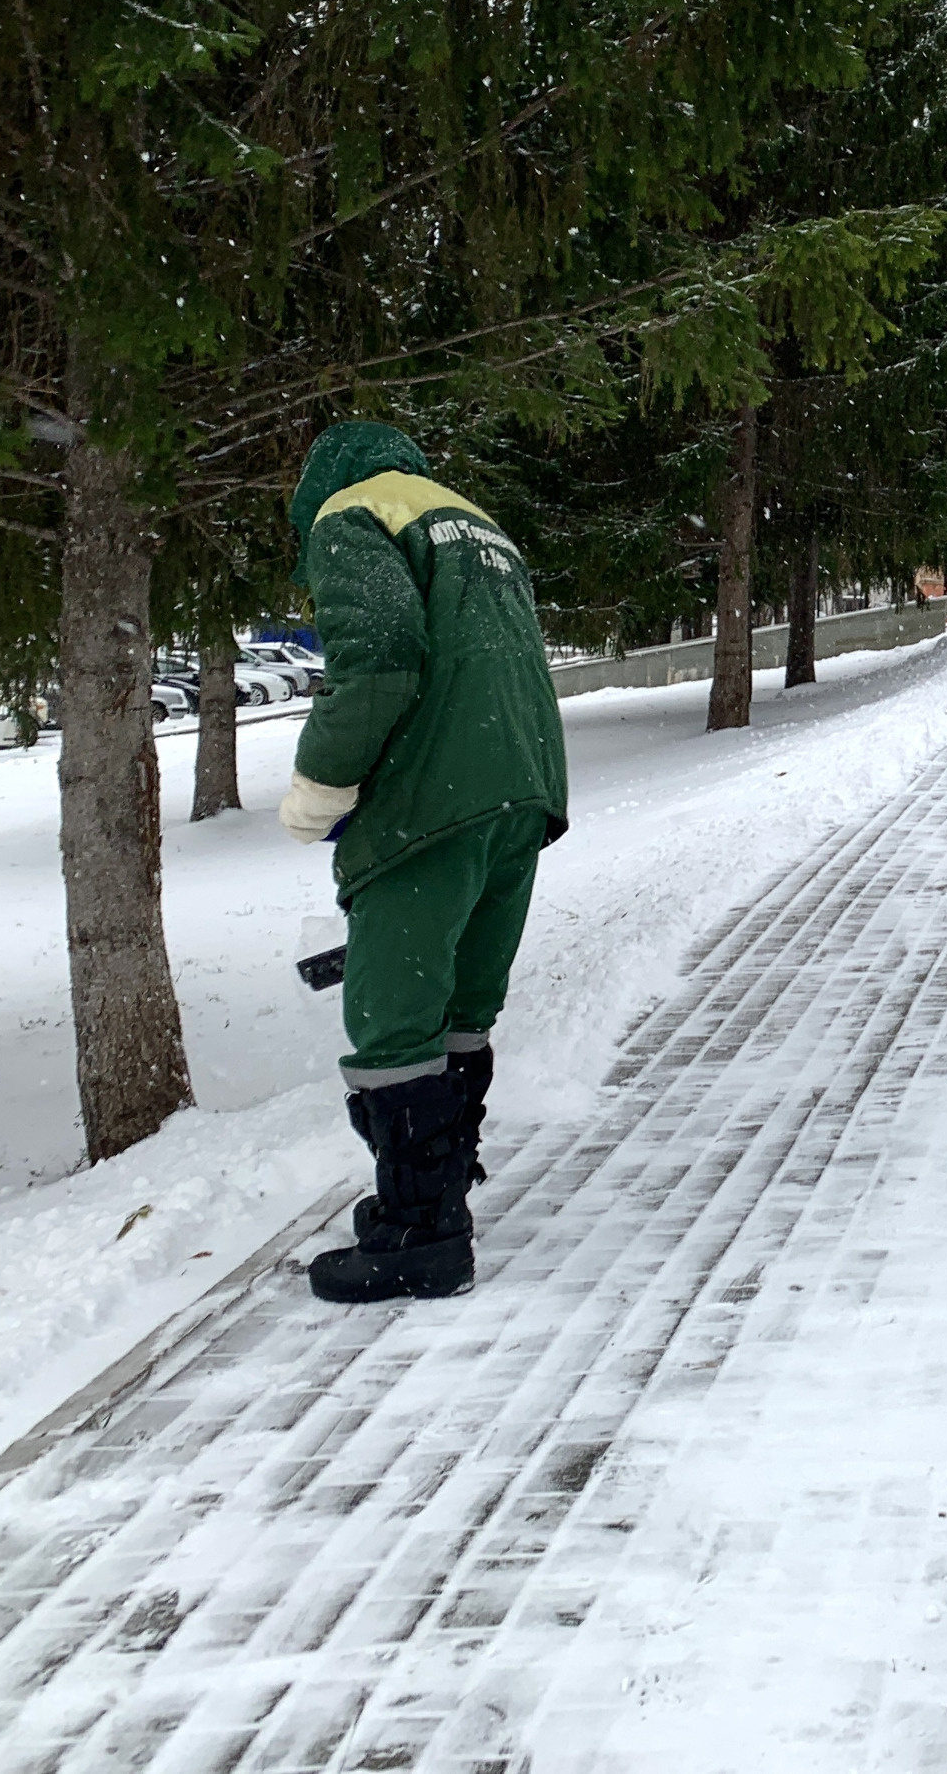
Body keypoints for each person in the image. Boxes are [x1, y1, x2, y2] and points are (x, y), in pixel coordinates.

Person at [281, 422, 568, 1303]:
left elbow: (379, 667)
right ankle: (440, 1198)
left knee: (394, 1015)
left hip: (433, 801)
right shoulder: (473, 521)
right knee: (460, 1006)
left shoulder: (352, 512)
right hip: (522, 784)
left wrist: (317, 788)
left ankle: (417, 1236)